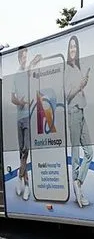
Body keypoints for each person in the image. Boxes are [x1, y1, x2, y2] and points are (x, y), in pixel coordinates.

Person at [65, 36, 93, 208]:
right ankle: (78, 187)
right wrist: (79, 86)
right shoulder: (67, 69)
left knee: (89, 152)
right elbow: (67, 95)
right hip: (73, 112)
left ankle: (78, 182)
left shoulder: (77, 67)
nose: (73, 49)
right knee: (76, 152)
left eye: (75, 46)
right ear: (68, 50)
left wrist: (84, 84)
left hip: (81, 111)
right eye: (71, 47)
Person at [11, 47, 41, 201]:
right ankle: (27, 184)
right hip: (19, 117)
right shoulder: (16, 76)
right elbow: (12, 98)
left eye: (26, 57)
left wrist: (35, 60)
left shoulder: (28, 72)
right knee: (22, 151)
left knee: (26, 149)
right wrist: (20, 102)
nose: (25, 59)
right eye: (23, 57)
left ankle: (19, 176)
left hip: (28, 117)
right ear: (19, 59)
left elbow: (32, 67)